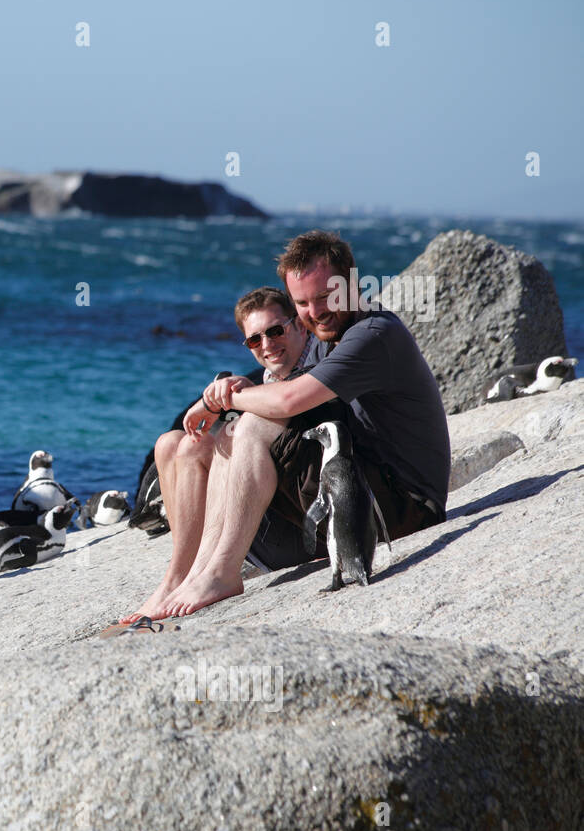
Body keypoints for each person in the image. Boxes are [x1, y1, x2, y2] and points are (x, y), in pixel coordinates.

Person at [136, 229, 449, 620]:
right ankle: (183, 577)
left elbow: (289, 401)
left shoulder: (372, 334)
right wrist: (242, 390)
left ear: (351, 284)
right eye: (302, 302)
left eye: (324, 297)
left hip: (402, 508)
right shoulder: (323, 337)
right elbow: (287, 395)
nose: (315, 311)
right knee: (190, 444)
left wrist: (222, 400)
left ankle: (220, 573)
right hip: (348, 497)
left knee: (248, 428)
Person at [131, 287, 314, 620]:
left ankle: (210, 575)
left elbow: (284, 403)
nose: (268, 345)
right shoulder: (271, 377)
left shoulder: (314, 371)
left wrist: (229, 399)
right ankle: (178, 577)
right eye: (255, 340)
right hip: (259, 526)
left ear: (299, 325)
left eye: (275, 331)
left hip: (298, 534)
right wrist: (231, 394)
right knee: (175, 444)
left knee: (235, 434)